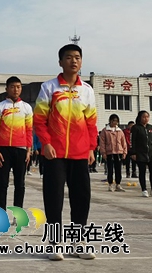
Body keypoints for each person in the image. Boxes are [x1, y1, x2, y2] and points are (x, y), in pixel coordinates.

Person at [33, 44, 97, 261]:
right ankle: (54, 242)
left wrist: (91, 148)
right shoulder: (49, 88)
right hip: (54, 154)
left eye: (77, 57)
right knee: (54, 198)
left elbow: (91, 123)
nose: (73, 61)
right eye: (68, 57)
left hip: (80, 153)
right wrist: (46, 143)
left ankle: (79, 242)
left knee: (81, 198)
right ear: (60, 62)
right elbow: (39, 120)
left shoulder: (87, 90)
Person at [0, 76, 33, 212]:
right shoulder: (0, 107)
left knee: (19, 184)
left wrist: (29, 150)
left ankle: (18, 213)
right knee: (3, 183)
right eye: (12, 87)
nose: (16, 89)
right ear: (6, 89)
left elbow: (29, 130)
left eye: (18, 87)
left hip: (21, 149)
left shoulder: (26, 107)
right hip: (4, 150)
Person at [99, 114, 127, 192]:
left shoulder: (120, 131)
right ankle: (110, 184)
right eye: (114, 121)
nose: (115, 123)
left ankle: (118, 184)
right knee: (110, 169)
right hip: (109, 152)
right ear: (110, 121)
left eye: (117, 121)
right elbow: (102, 143)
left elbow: (123, 142)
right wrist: (103, 152)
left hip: (118, 152)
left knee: (118, 169)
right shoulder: (105, 131)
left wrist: (124, 152)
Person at [130, 111, 152, 197]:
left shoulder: (151, 128)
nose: (146, 119)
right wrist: (133, 152)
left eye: (147, 117)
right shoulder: (135, 128)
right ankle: (144, 189)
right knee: (142, 172)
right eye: (144, 117)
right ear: (140, 118)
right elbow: (132, 141)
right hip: (140, 154)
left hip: (151, 154)